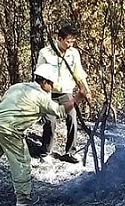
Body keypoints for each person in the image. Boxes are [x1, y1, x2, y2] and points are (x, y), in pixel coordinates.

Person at [0, 63, 85, 206]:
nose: (52, 87)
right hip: (10, 129)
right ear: (44, 81)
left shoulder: (16, 87)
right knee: (21, 161)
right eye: (51, 83)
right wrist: (77, 98)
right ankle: (23, 199)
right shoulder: (41, 97)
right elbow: (60, 111)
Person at [37, 24, 92, 163]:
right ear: (59, 39)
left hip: (66, 91)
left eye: (73, 41)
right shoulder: (45, 53)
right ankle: (46, 152)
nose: (70, 44)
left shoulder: (74, 53)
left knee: (72, 119)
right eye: (68, 41)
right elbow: (40, 74)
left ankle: (70, 152)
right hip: (49, 93)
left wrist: (86, 89)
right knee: (50, 122)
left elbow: (78, 73)